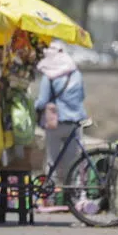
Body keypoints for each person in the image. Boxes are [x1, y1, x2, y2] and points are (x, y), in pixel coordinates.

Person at [34, 41, 87, 184]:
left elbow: (42, 101)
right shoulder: (76, 74)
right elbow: (82, 96)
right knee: (73, 163)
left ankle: (51, 198)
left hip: (55, 124)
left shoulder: (49, 76)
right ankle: (74, 197)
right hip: (75, 123)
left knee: (53, 163)